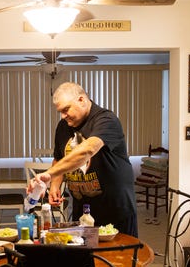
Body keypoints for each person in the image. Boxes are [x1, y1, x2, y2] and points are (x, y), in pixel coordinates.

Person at [28, 82, 139, 237]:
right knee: (85, 259)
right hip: (83, 212)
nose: (63, 115)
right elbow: (59, 158)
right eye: (60, 111)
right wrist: (55, 185)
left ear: (81, 100)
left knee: (118, 260)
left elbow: (87, 150)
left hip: (115, 210)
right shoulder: (63, 126)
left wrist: (49, 174)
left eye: (66, 109)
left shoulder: (106, 119)